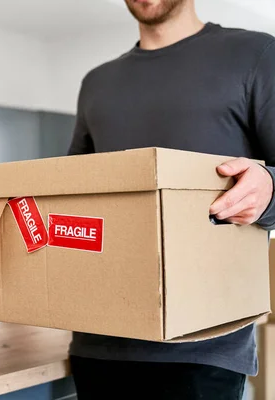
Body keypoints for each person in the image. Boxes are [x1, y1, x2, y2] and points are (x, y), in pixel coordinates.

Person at [67, 0, 274, 399]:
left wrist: (269, 187)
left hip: (205, 347)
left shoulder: (257, 55)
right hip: (100, 341)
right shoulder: (97, 82)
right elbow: (73, 195)